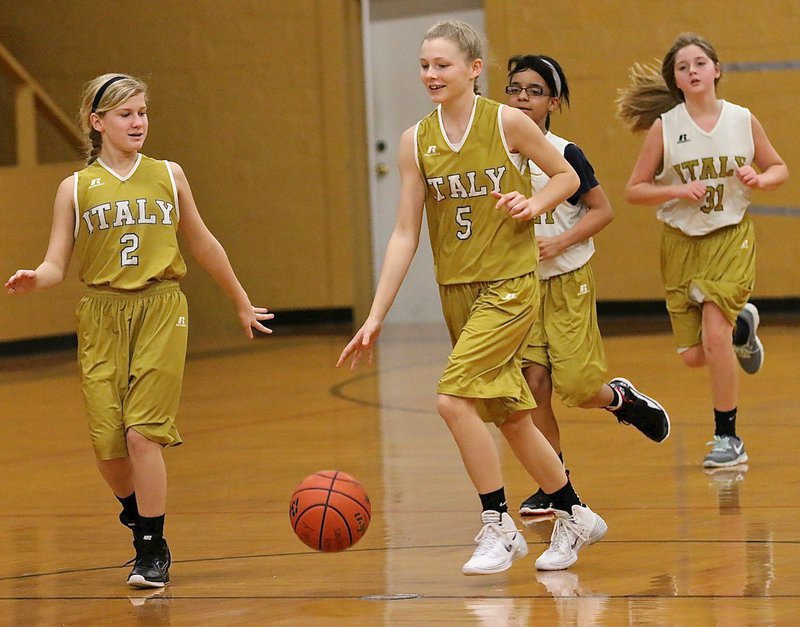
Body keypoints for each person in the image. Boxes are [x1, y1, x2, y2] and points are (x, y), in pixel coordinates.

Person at [337, 20, 606, 573]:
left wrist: (533, 206)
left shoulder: (506, 122)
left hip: (508, 287)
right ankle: (575, 514)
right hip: (455, 291)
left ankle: (497, 524)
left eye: (442, 64)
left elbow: (566, 178)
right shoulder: (417, 140)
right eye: (424, 65)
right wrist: (376, 314)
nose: (431, 74)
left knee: (452, 400)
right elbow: (406, 233)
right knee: (510, 416)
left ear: (473, 69)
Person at [5, 74, 273, 588]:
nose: (138, 123)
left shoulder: (168, 175)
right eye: (126, 114)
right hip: (101, 315)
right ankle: (135, 512)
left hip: (161, 307)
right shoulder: (76, 188)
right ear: (97, 121)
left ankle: (152, 549)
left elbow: (203, 243)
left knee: (142, 435)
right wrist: (35, 279)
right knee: (110, 450)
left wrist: (240, 302)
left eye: (143, 113)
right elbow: (57, 263)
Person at [504, 55, 671, 517]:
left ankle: (619, 398)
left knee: (577, 388)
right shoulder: (492, 155)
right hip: (519, 288)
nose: (521, 98)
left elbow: (603, 211)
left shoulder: (565, 152)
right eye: (515, 88)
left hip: (566, 280)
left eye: (534, 91)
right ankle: (553, 484)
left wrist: (560, 241)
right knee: (532, 384)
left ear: (553, 101)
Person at [618, 33, 788, 467]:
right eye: (682, 67)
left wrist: (759, 180)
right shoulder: (666, 126)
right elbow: (634, 190)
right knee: (697, 356)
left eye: (699, 63)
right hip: (680, 242)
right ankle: (741, 330)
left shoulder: (742, 119)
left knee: (713, 332)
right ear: (675, 80)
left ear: (716, 70)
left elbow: (779, 167)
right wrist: (676, 189)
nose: (692, 71)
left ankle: (728, 437)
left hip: (730, 235)